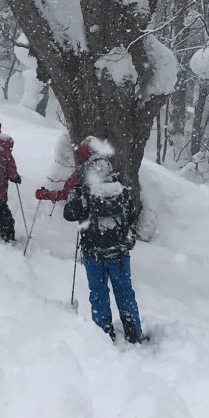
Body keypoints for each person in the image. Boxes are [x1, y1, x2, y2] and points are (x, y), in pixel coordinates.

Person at [63, 138, 146, 343]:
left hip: (94, 252)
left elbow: (69, 214)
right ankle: (134, 333)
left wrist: (79, 197)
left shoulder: (85, 189)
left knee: (99, 293)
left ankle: (103, 335)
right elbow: (132, 212)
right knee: (124, 292)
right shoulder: (118, 187)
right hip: (119, 252)